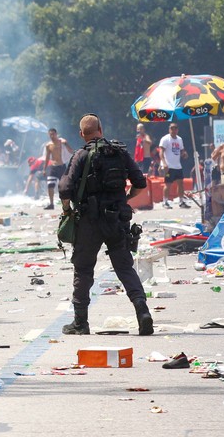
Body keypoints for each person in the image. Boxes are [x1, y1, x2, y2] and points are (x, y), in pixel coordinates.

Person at [58, 113, 153, 336]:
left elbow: (65, 189)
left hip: (88, 222)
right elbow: (140, 183)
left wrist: (66, 210)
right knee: (124, 267)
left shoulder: (79, 155)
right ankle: (142, 312)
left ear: (82, 134)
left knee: (83, 270)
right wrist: (124, 200)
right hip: (116, 220)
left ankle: (80, 323)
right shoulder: (119, 152)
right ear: (101, 128)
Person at [42, 128, 75, 210]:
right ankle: (51, 204)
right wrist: (44, 169)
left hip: (61, 166)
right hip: (53, 167)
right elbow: (47, 158)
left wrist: (66, 143)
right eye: (50, 134)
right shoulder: (48, 145)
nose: (52, 136)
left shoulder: (62, 142)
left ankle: (68, 204)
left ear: (56, 134)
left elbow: (71, 151)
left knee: (64, 186)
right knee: (50, 185)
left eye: (53, 134)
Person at [158, 123, 188, 208]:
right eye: (172, 128)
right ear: (169, 129)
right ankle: (165, 201)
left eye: (175, 128)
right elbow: (161, 152)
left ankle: (181, 201)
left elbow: (182, 150)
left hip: (177, 165)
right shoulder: (165, 139)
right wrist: (163, 163)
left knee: (181, 183)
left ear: (177, 130)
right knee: (168, 183)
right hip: (169, 165)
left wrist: (184, 154)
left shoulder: (179, 139)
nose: (174, 130)